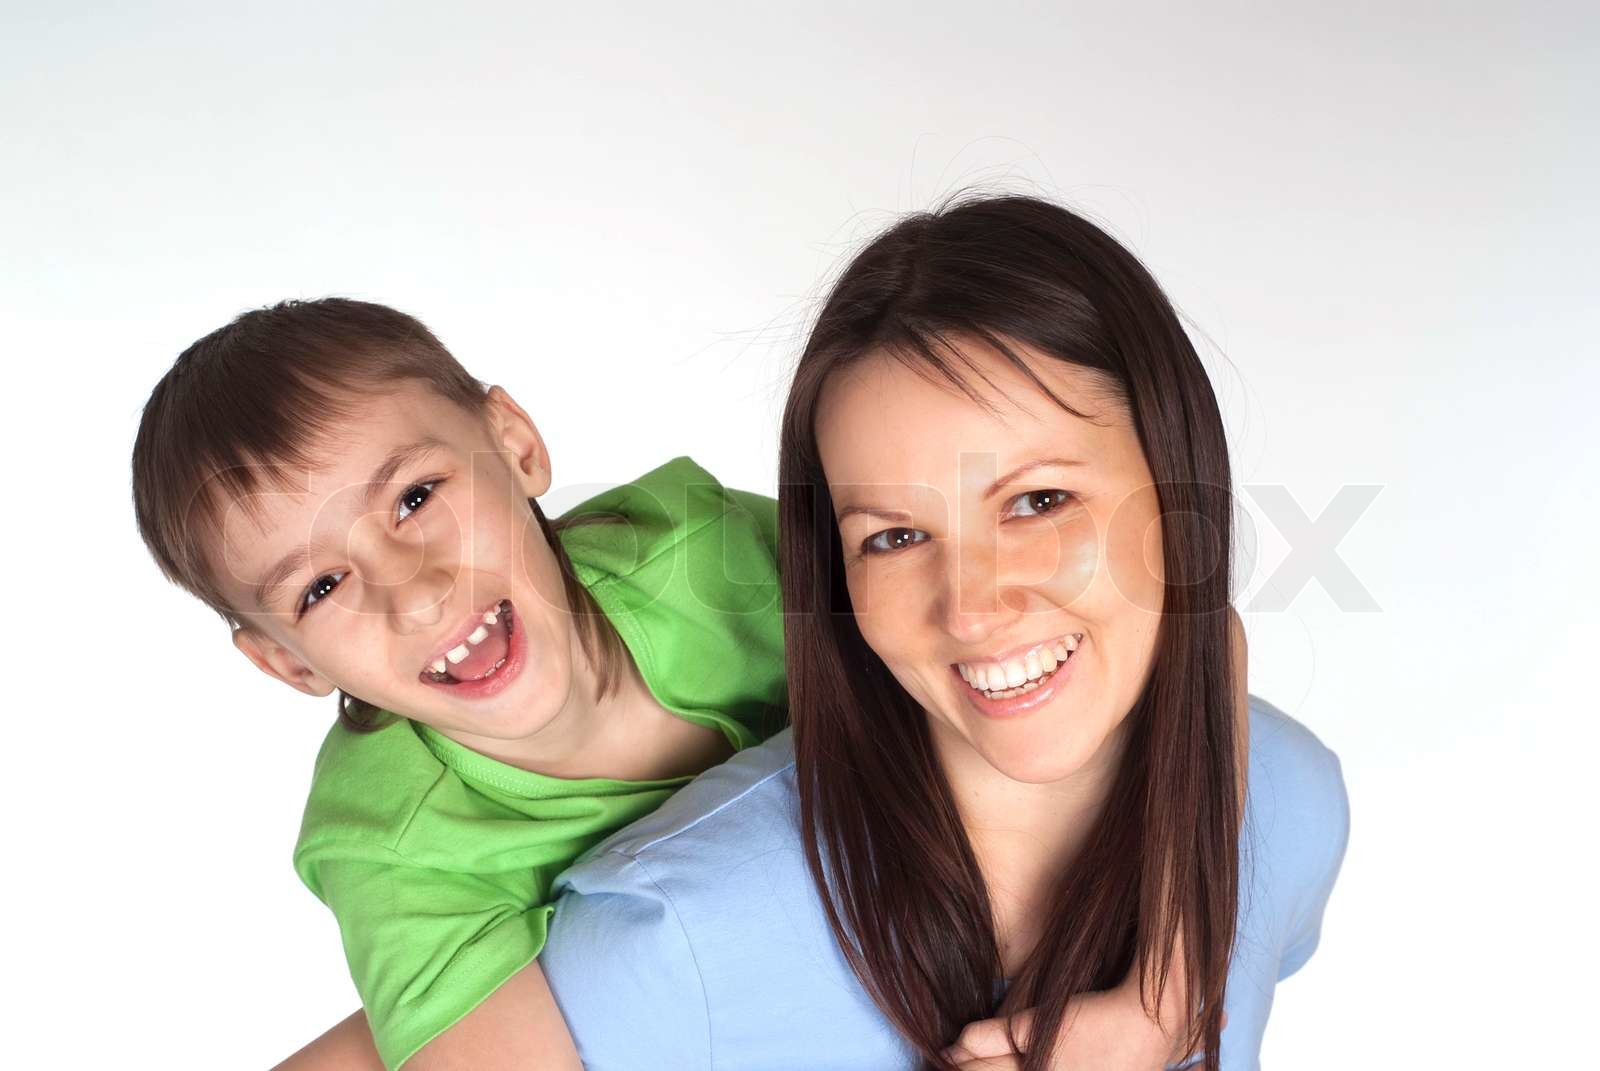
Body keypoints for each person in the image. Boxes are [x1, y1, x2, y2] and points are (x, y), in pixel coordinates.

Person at [540, 194, 1351, 1070]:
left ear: (1175, 477)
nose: (969, 610)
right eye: (892, 536)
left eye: (1038, 501)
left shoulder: (1289, 798)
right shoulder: (669, 942)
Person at [130, 298, 788, 1069]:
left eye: (414, 497)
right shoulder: (389, 843)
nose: (414, 594)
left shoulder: (710, 553)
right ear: (289, 663)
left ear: (515, 446)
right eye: (321, 586)